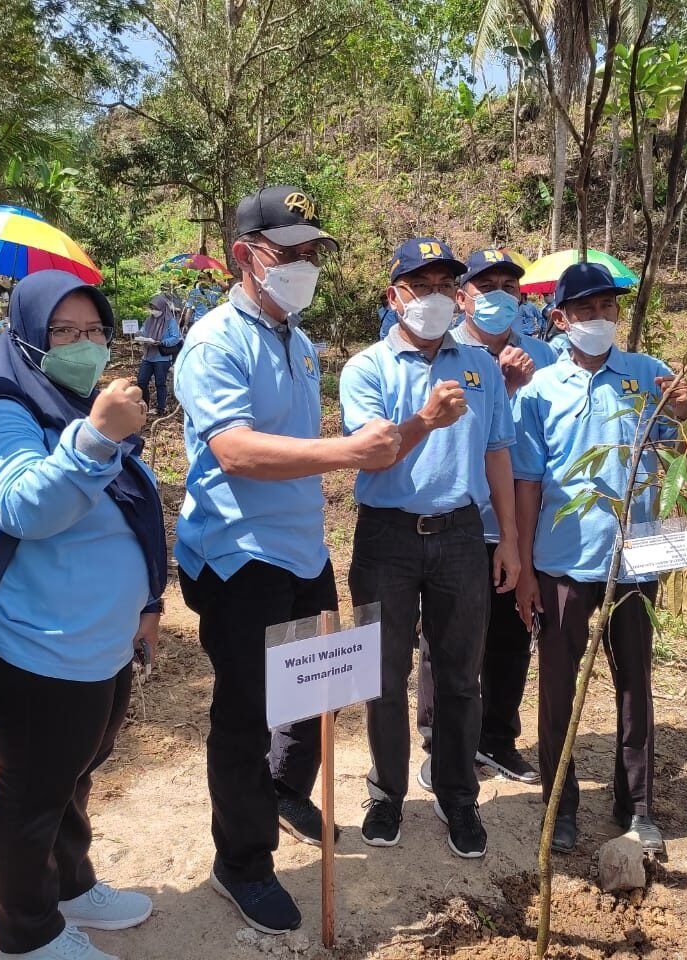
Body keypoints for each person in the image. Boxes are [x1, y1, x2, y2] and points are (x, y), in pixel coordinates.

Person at [175, 186, 400, 935]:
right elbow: (233, 450)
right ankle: (241, 862)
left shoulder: (298, 341)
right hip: (239, 558)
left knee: (315, 688)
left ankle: (285, 790)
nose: (304, 266)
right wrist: (345, 452)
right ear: (245, 256)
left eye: (312, 254)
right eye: (289, 253)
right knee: (245, 713)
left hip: (301, 550)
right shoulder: (214, 341)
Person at [0, 269, 164, 960]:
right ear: (26, 339)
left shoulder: (74, 403)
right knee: (33, 795)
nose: (82, 343)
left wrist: (148, 602)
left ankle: (71, 883)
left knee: (78, 772)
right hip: (37, 645)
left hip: (102, 639)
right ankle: (28, 930)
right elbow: (24, 508)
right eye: (62, 332)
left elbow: (131, 512)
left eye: (93, 330)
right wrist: (97, 438)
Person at [513, 262, 687, 855]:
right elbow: (526, 483)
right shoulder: (541, 390)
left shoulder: (648, 376)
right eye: (587, 310)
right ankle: (559, 804)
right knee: (557, 688)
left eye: (608, 309)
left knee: (635, 684)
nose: (600, 319)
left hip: (636, 559)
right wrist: (521, 565)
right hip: (563, 562)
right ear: (560, 318)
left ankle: (638, 805)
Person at [341, 237, 518, 860]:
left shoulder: (479, 366)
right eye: (424, 286)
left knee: (459, 675)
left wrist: (510, 541)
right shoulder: (366, 369)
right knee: (383, 675)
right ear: (396, 298)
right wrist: (426, 418)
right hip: (387, 538)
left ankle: (457, 795)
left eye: (449, 285)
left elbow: (498, 451)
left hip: (463, 534)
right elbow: (373, 450)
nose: (439, 298)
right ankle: (387, 793)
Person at [414, 248, 556, 791]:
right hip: (462, 521)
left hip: (520, 522)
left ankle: (497, 737)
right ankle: (442, 741)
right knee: (448, 639)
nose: (499, 295)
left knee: (512, 633)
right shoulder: (447, 353)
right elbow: (448, 437)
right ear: (462, 296)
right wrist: (502, 385)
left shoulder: (544, 354)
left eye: (509, 286)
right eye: (486, 284)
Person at [136, 289, 181, 416]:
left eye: (155, 308)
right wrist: (139, 336)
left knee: (160, 383)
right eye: (151, 308)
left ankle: (161, 408)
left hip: (161, 358)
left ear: (162, 307)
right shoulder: (149, 320)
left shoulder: (170, 321)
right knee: (141, 381)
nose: (153, 310)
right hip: (148, 356)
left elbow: (175, 338)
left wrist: (161, 342)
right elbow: (143, 331)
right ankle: (145, 405)